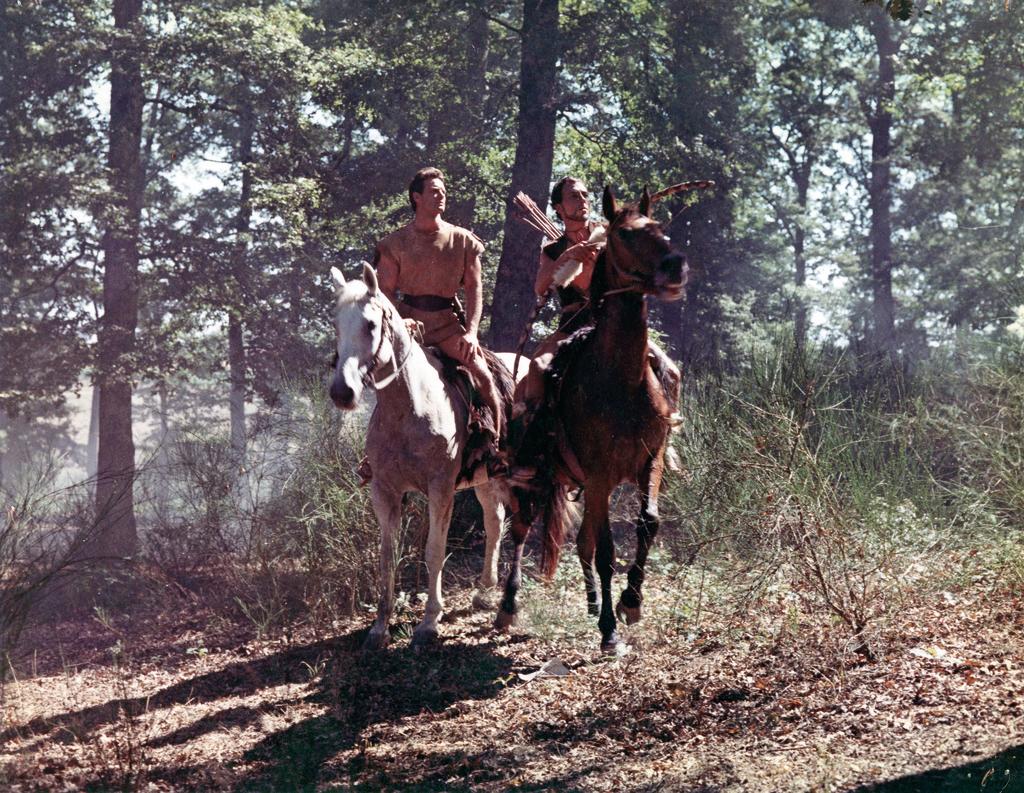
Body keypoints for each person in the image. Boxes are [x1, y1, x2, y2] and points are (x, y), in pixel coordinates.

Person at [516, 176, 683, 434]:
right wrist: (569, 256)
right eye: (573, 196)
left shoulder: (611, 235)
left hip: (611, 324)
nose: (582, 200)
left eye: (584, 195)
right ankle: (530, 446)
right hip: (571, 327)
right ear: (559, 208)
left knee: (671, 373)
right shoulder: (553, 249)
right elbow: (540, 288)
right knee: (537, 369)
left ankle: (665, 440)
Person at [375, 167, 505, 451]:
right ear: (416, 197)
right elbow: (384, 292)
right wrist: (399, 321)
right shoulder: (393, 244)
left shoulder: (463, 240)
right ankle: (374, 455)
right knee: (383, 378)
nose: (441, 196)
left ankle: (497, 446)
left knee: (481, 374)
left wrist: (471, 333)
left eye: (443, 192)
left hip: (448, 326)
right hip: (407, 328)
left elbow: (474, 289)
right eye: (434, 192)